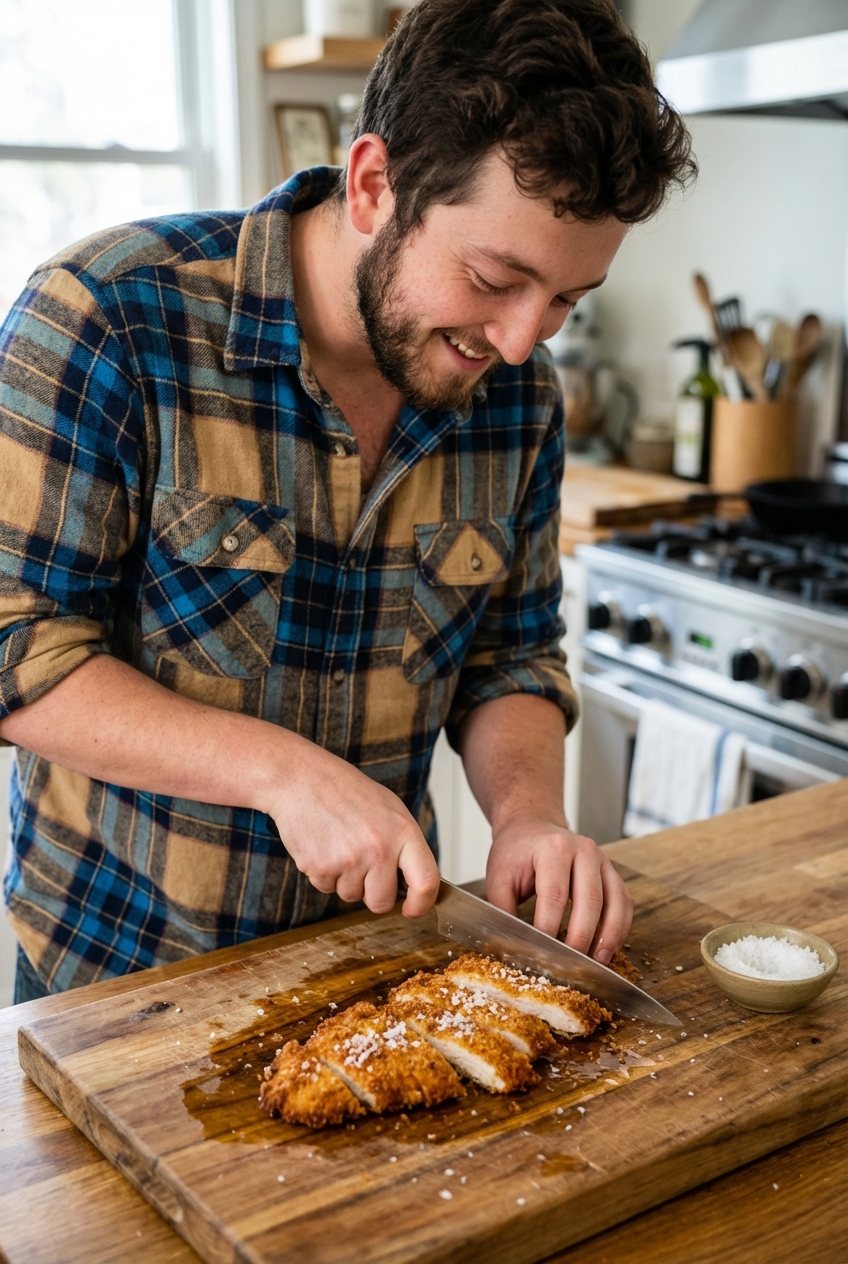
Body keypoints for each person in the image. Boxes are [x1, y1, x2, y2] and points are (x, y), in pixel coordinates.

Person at [0, 0, 694, 1001]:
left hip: (366, 973)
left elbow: (511, 654)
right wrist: (278, 772)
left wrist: (530, 815)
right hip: (109, 979)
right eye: (493, 277)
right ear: (374, 184)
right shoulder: (109, 318)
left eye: (563, 302)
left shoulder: (517, 399)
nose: (517, 339)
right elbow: (20, 647)